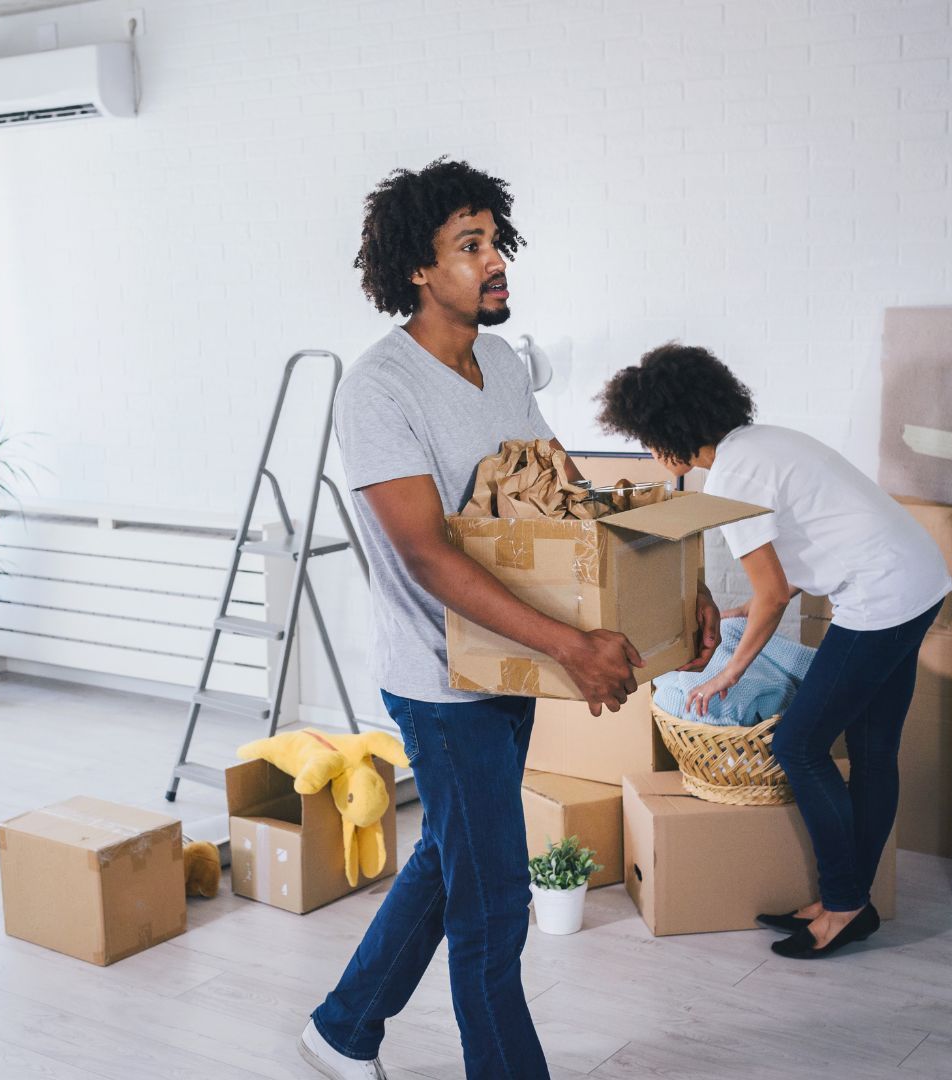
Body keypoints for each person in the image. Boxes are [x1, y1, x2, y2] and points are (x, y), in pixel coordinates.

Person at [299, 159, 707, 1080]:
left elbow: (571, 497)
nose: (495, 264)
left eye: (496, 242)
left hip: (506, 666)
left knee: (454, 855)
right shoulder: (378, 391)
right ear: (416, 267)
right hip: (441, 684)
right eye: (469, 247)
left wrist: (681, 589)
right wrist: (572, 644)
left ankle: (341, 1027)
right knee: (493, 911)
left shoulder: (501, 366)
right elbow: (427, 553)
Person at [596, 343, 952, 959]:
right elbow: (788, 567)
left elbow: (773, 594)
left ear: (673, 428)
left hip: (882, 598)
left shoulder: (734, 478)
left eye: (651, 439)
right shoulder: (761, 444)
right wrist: (747, 607)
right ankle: (852, 903)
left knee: (798, 745)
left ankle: (842, 905)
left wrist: (728, 673)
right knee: (872, 751)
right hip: (918, 579)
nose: (652, 454)